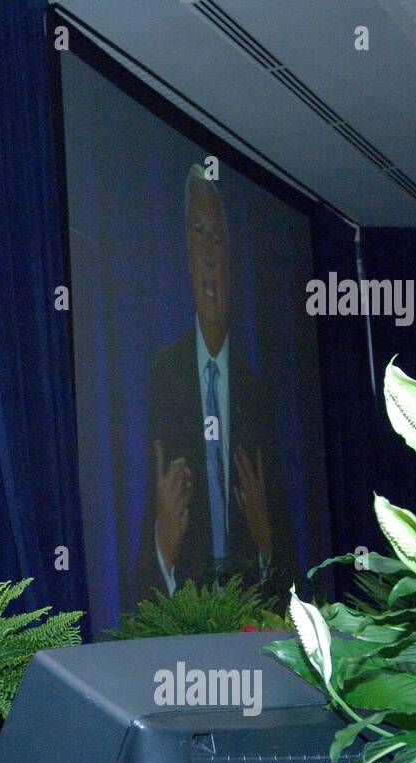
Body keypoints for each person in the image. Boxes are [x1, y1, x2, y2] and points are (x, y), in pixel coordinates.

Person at [137, 164, 286, 598]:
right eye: (197, 235)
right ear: (184, 253)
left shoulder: (255, 389)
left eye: (217, 237)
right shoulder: (162, 376)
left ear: (231, 256)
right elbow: (140, 562)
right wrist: (164, 545)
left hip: (252, 627)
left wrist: (264, 545)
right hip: (183, 627)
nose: (208, 252)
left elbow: (286, 553)